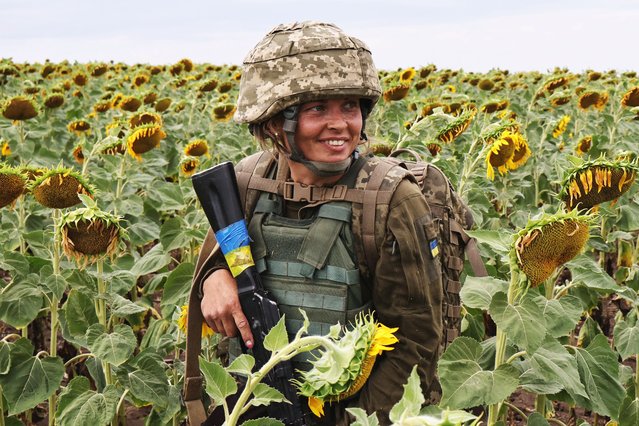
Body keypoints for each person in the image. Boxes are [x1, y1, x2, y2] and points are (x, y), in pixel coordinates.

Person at [194, 21, 443, 425]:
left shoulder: (390, 200)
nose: (341, 124)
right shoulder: (247, 185)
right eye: (317, 109)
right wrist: (214, 278)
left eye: (350, 106)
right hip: (254, 404)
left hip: (355, 411)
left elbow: (415, 342)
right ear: (275, 121)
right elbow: (214, 262)